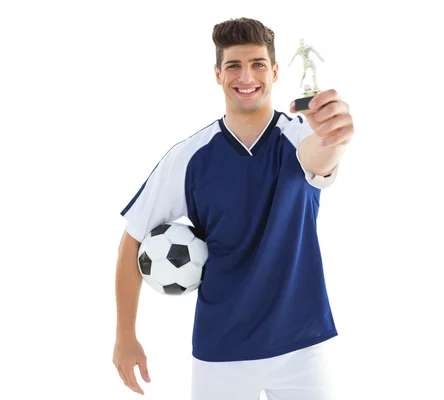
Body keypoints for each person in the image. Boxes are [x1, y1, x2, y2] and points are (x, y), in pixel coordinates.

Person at [113, 17, 355, 400]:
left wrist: (335, 136)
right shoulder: (189, 157)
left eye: (258, 64)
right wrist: (126, 336)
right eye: (234, 65)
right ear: (217, 74)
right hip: (221, 352)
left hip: (303, 346)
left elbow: (320, 157)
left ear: (274, 71)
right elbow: (132, 238)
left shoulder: (299, 136)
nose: (247, 76)